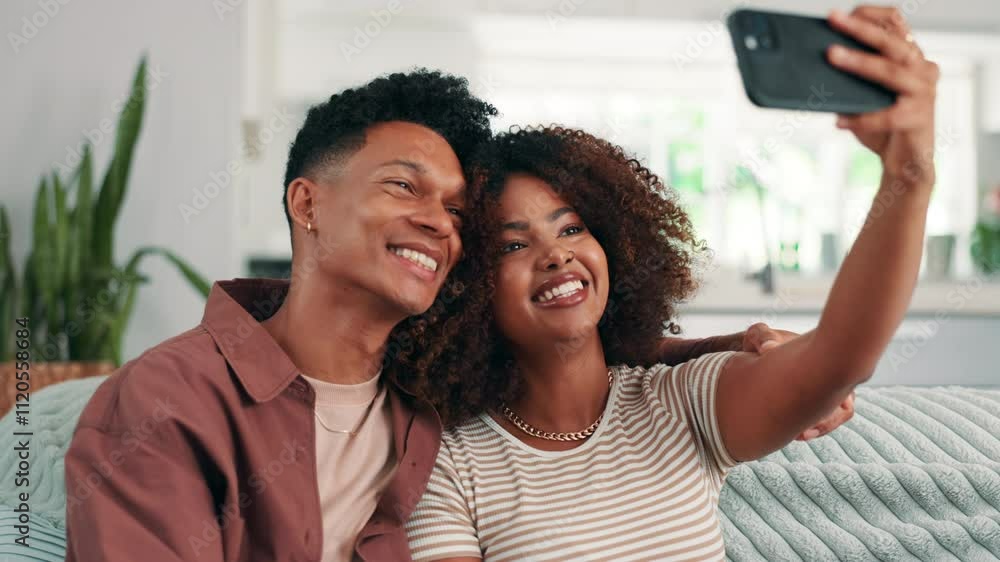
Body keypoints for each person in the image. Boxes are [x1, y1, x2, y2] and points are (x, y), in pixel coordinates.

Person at [62, 70, 840, 562]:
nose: (439, 221)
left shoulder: (425, 390)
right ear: (307, 202)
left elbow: (567, 356)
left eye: (456, 209)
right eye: (405, 187)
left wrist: (733, 347)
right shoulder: (166, 404)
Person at [404, 6, 938, 561]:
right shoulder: (448, 462)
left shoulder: (680, 403)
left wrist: (908, 173)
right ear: (466, 286)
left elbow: (839, 358)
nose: (556, 254)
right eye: (514, 245)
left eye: (572, 227)